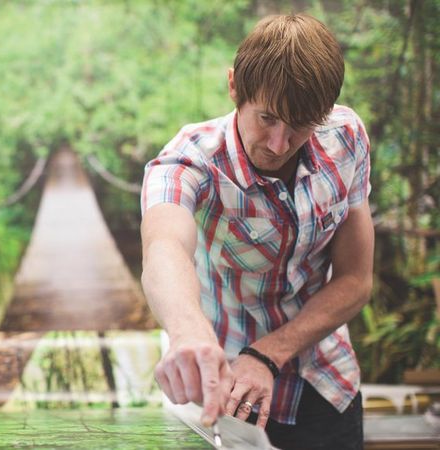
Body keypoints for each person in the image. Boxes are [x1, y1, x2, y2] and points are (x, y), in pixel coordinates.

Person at [140, 13, 372, 450]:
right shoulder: (189, 162)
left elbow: (356, 280)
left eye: (301, 125)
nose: (279, 143)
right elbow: (163, 247)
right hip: (224, 397)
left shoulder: (348, 138)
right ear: (234, 87)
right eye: (266, 118)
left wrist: (268, 354)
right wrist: (188, 333)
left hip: (325, 383)